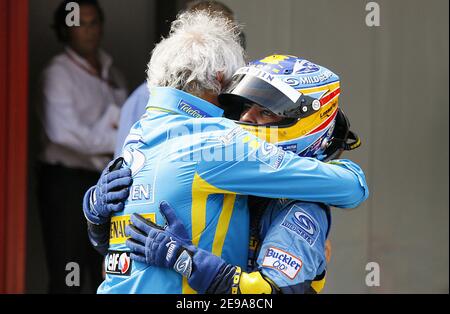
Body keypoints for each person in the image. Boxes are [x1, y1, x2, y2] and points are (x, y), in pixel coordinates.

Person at [82, 11, 368, 294]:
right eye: (243, 105)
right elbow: (352, 186)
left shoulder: (140, 136)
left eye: (265, 110)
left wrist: (190, 262)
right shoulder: (214, 143)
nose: (243, 119)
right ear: (220, 78)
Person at [37, 0, 127, 293]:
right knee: (68, 268)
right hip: (66, 183)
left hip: (104, 180)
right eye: (79, 24)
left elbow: (126, 123)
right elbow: (63, 134)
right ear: (65, 30)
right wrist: (112, 138)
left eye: (93, 22)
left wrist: (111, 136)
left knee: (106, 265)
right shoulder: (57, 74)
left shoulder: (112, 71)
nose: (88, 31)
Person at [114, 0, 244, 158]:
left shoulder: (230, 96)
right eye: (220, 41)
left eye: (235, 39)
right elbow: (127, 163)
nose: (232, 48)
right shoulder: (147, 97)